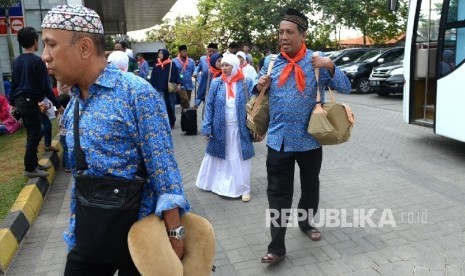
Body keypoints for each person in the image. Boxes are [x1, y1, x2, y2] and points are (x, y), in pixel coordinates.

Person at [41, 5, 190, 275]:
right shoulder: (75, 101)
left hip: (139, 240)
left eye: (51, 45)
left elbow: (164, 169)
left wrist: (176, 234)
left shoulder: (136, 94)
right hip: (90, 238)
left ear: (85, 47)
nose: (45, 56)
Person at [255, 8, 351, 264]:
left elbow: (346, 87)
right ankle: (277, 247)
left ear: (302, 34)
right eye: (280, 32)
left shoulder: (316, 60)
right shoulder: (271, 62)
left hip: (310, 140)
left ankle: (306, 222)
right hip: (279, 141)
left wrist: (330, 66)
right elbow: (256, 92)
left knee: (310, 187)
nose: (283, 37)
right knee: (278, 194)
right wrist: (259, 84)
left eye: (289, 32)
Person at [195, 54, 255, 202]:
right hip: (220, 127)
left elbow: (257, 98)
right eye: (222, 65)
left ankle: (244, 188)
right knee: (223, 157)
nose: (224, 68)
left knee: (240, 158)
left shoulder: (245, 82)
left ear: (235, 66)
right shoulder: (217, 83)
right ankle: (221, 185)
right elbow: (209, 105)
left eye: (227, 65)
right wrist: (207, 126)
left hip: (240, 128)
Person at [9, 26, 63, 178]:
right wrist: (58, 105)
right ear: (35, 41)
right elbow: (46, 87)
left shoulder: (17, 60)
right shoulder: (38, 61)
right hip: (29, 100)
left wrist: (12, 101)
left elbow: (14, 83)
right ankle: (29, 169)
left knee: (32, 132)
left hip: (21, 101)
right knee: (35, 133)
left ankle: (34, 164)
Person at [149, 48, 182, 128]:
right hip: (159, 89)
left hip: (170, 89)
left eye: (161, 53)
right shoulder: (157, 64)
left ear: (165, 54)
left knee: (171, 106)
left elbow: (177, 75)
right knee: (161, 106)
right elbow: (153, 77)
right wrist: (151, 86)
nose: (160, 55)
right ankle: (164, 122)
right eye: (159, 53)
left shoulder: (171, 64)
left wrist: (179, 84)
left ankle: (171, 122)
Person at [193, 43, 219, 108]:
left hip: (216, 82)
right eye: (210, 51)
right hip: (205, 82)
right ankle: (197, 105)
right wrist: (195, 72)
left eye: (214, 51)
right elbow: (199, 67)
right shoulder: (202, 59)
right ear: (207, 50)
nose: (211, 53)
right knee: (204, 97)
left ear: (217, 51)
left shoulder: (219, 59)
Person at [56, 93, 71, 172]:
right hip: (67, 135)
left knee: (65, 150)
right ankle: (68, 167)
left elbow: (59, 124)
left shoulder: (59, 114)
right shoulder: (67, 114)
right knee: (68, 150)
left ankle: (65, 164)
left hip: (62, 135)